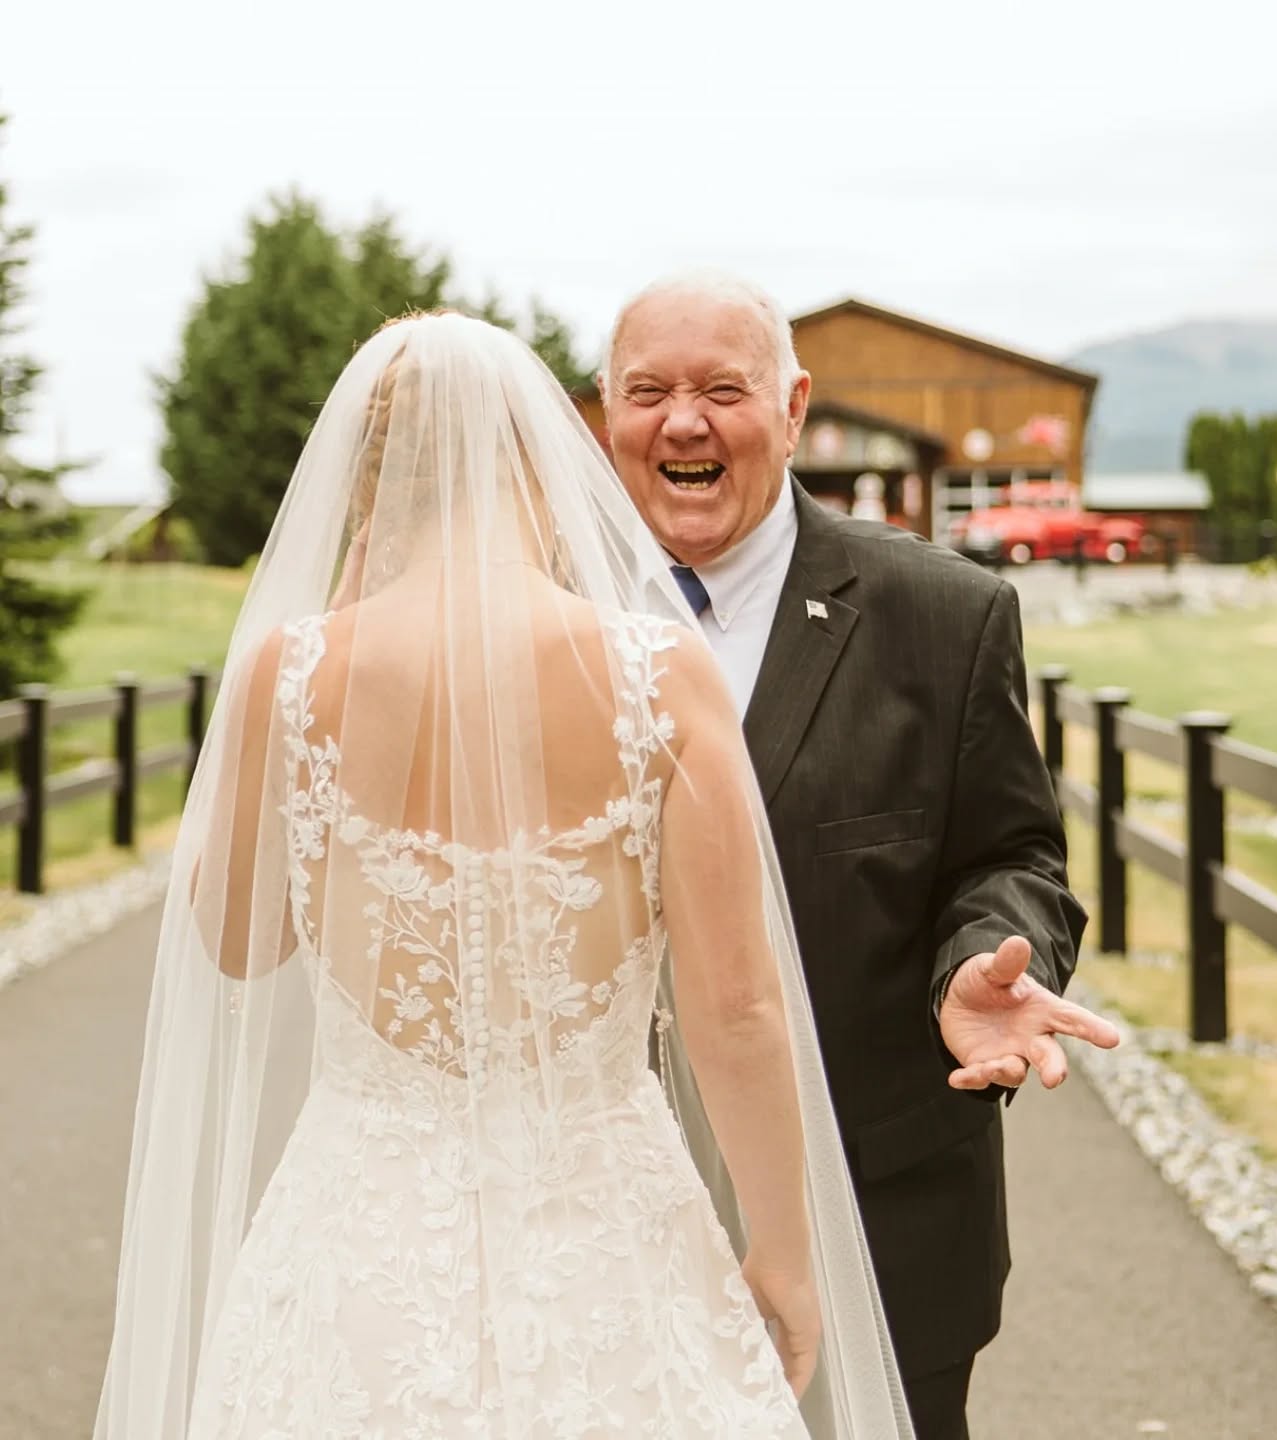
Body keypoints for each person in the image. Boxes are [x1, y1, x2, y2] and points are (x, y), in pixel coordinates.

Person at [94, 311, 918, 1438]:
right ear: (540, 462)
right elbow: (736, 1006)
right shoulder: (656, 674)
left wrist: (330, 620)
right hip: (604, 1226)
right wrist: (782, 1249)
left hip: (360, 1243)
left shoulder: (288, 678)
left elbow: (237, 944)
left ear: (365, 481)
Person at [600, 273, 1120, 1440]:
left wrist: (987, 961)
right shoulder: (536, 617)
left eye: (722, 390)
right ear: (605, 417)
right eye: (649, 392)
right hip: (600, 1224)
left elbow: (1014, 855)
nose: (683, 422)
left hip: (880, 1209)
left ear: (793, 409)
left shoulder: (944, 613)